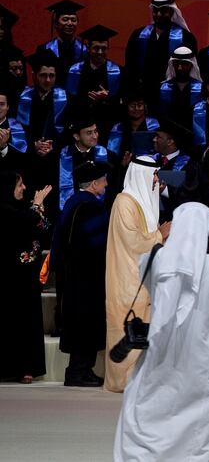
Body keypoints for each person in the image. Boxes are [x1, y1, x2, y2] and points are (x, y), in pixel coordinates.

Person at [113, 203, 209, 461]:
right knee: (199, 426)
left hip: (162, 353)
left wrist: (170, 244)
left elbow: (142, 267)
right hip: (202, 360)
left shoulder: (157, 259)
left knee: (153, 410)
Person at [104, 156, 169, 392]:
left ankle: (144, 380)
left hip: (146, 279)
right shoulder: (124, 202)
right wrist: (161, 234)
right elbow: (131, 241)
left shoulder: (144, 202)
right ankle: (122, 381)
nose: (156, 180)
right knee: (127, 329)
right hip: (127, 280)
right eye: (152, 175)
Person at [50, 161, 109, 387]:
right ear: (94, 184)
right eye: (103, 180)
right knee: (86, 321)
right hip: (88, 274)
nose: (106, 184)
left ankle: (78, 370)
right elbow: (97, 243)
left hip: (73, 272)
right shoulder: (90, 206)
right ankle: (79, 372)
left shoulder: (73, 201)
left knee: (79, 321)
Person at [0, 172, 50, 384]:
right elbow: (21, 222)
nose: (24, 187)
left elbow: (44, 227)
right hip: (8, 276)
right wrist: (36, 206)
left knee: (28, 320)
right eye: (20, 184)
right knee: (9, 320)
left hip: (27, 276)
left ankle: (27, 367)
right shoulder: (2, 208)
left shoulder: (22, 207)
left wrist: (38, 210)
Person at [124, 0, 197, 106]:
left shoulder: (185, 37)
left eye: (163, 11)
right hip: (143, 94)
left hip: (172, 95)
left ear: (172, 12)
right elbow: (130, 66)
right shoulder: (138, 35)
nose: (158, 14)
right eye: (155, 10)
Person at [65, 24, 122, 133]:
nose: (100, 52)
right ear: (88, 48)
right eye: (96, 48)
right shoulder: (75, 71)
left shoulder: (118, 71)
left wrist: (106, 99)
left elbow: (121, 104)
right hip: (81, 124)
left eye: (103, 48)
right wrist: (89, 100)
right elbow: (69, 101)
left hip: (107, 125)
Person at [17, 49, 67, 148]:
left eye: (51, 75)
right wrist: (34, 145)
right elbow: (17, 129)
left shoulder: (66, 98)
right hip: (29, 151)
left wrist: (53, 146)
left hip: (56, 152)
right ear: (34, 76)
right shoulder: (22, 97)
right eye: (43, 75)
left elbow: (68, 131)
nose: (48, 80)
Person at [57, 118, 111, 210]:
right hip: (70, 213)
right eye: (89, 133)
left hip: (98, 213)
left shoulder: (109, 156)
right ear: (77, 136)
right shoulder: (60, 155)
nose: (95, 136)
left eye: (95, 131)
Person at [37, 0, 87, 87]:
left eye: (73, 20)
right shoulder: (44, 49)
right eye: (65, 19)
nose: (70, 23)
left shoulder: (85, 50)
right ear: (56, 23)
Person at [159, 46, 203, 129]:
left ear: (191, 65)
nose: (179, 68)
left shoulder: (201, 88)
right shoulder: (163, 88)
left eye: (184, 64)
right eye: (176, 64)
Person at [107, 93, 159, 157]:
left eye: (140, 105)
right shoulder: (118, 128)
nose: (136, 108)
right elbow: (112, 152)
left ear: (145, 106)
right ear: (126, 107)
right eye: (132, 105)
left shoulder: (154, 125)